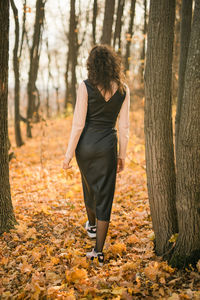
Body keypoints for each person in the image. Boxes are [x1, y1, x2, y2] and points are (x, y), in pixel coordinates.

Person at [63, 45, 130, 266]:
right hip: (107, 147)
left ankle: (91, 226)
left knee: (89, 186)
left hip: (86, 147)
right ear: (113, 64)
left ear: (92, 65)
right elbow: (124, 127)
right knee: (105, 195)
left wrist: (69, 154)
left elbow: (78, 123)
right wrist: (122, 155)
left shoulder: (85, 86)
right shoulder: (123, 90)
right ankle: (98, 252)